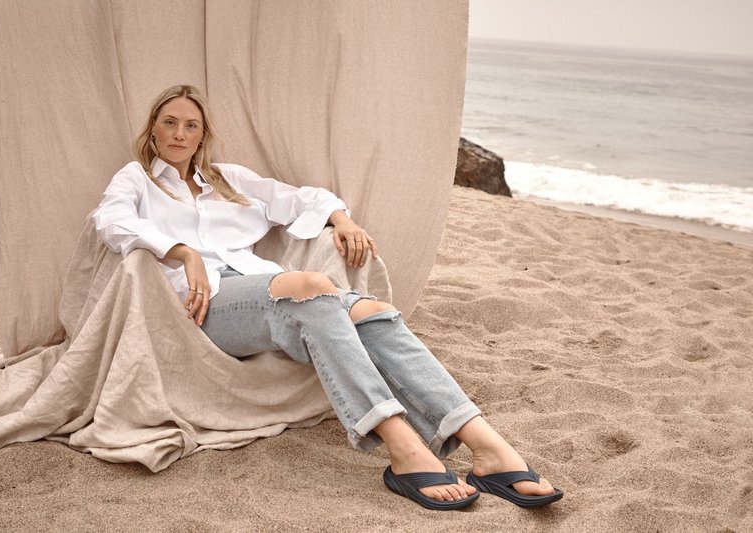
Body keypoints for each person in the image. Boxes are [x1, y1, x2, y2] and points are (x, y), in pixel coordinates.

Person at [92, 85, 563, 511]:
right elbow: (112, 223)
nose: (179, 132)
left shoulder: (226, 180)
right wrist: (182, 252)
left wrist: (342, 220)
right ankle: (401, 443)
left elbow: (302, 198)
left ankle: (485, 444)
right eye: (169, 122)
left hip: (264, 288)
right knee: (312, 288)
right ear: (153, 129)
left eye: (190, 125)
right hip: (205, 307)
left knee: (375, 312)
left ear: (202, 136)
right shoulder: (136, 180)